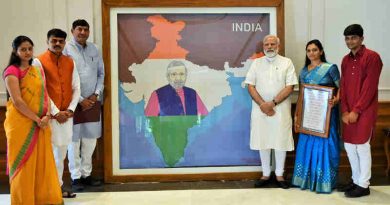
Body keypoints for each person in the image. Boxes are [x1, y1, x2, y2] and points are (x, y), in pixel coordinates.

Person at [3, 36, 63, 204]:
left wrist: (47, 116)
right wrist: (37, 119)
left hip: (40, 123)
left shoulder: (37, 70)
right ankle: (24, 200)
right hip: (21, 125)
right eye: (23, 49)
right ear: (15, 51)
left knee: (41, 163)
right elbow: (17, 101)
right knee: (24, 163)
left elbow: (45, 95)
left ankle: (43, 199)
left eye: (30, 48)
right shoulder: (11, 71)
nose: (27, 52)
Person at [245, 35, 298, 189]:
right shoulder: (256, 63)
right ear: (263, 46)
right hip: (260, 110)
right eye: (266, 44)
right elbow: (250, 85)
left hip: (280, 110)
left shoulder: (286, 62)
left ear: (278, 46)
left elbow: (290, 86)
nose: (269, 47)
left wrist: (272, 103)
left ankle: (280, 174)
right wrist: (263, 104)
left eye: (272, 44)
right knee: (263, 140)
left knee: (280, 140)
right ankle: (266, 173)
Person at [34, 28, 81, 198]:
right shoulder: (38, 62)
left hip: (66, 116)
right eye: (54, 40)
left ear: (64, 42)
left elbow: (77, 88)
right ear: (48, 41)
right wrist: (56, 112)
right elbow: (41, 89)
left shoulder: (70, 62)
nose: (57, 44)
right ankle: (48, 189)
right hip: (48, 117)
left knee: (61, 154)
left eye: (61, 41)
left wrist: (69, 110)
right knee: (49, 154)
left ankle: (57, 187)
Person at [338, 24, 383, 198]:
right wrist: (344, 111)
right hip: (348, 111)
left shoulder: (372, 57)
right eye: (347, 38)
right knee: (350, 147)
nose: (350, 41)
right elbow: (343, 86)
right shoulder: (345, 60)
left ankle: (364, 184)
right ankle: (356, 180)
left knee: (362, 146)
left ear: (362, 38)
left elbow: (369, 87)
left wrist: (356, 111)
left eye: (354, 38)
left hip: (365, 111)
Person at [291, 39, 341, 193]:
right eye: (309, 50)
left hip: (326, 115)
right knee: (307, 144)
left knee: (327, 145)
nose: (311, 53)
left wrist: (336, 99)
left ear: (321, 51)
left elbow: (342, 88)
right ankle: (305, 179)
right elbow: (301, 95)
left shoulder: (330, 68)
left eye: (314, 50)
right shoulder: (304, 71)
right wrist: (297, 115)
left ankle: (324, 181)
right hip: (308, 115)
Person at [63, 19, 104, 190]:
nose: (82, 32)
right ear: (72, 31)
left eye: (85, 29)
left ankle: (87, 174)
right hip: (74, 102)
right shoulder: (66, 50)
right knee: (74, 141)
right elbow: (66, 78)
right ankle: (76, 177)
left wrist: (96, 94)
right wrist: (80, 99)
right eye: (79, 29)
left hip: (93, 101)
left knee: (90, 140)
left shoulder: (94, 48)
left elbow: (101, 73)